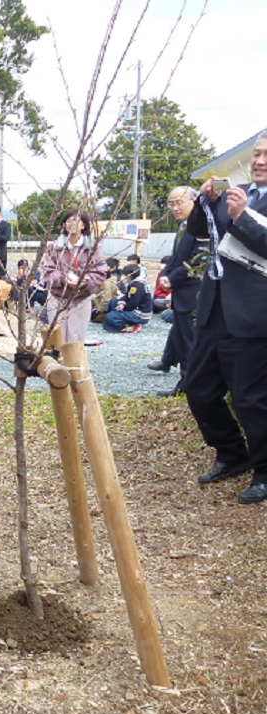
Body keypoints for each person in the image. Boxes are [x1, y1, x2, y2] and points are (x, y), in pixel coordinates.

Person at [183, 131, 267, 505]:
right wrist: (207, 202)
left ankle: (265, 471)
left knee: (250, 398)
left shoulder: (245, 203)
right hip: (215, 306)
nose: (259, 161)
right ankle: (232, 453)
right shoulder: (238, 190)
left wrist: (241, 215)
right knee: (198, 387)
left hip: (254, 312)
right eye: (258, 154)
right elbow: (200, 232)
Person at [151, 186, 206, 397]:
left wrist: (172, 279)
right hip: (180, 294)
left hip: (194, 294)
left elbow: (198, 259)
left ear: (194, 201)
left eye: (179, 202)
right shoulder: (183, 226)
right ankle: (184, 385)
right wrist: (165, 274)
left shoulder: (201, 227)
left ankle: (194, 389)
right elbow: (175, 257)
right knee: (183, 343)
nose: (174, 208)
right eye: (171, 203)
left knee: (192, 345)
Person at [40, 209, 107, 343]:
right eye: (68, 221)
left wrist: (85, 281)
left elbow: (101, 271)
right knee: (56, 338)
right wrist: (62, 278)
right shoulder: (54, 247)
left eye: (76, 220)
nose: (72, 223)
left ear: (83, 225)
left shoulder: (92, 248)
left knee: (76, 339)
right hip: (57, 297)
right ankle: (57, 363)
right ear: (64, 225)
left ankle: (74, 363)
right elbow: (47, 270)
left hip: (81, 299)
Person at [101, 263, 152, 332]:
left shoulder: (138, 286)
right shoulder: (134, 283)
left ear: (129, 275)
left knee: (111, 316)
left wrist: (123, 307)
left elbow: (133, 303)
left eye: (124, 275)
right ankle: (115, 322)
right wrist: (121, 303)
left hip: (140, 313)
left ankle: (130, 326)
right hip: (135, 308)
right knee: (113, 302)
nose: (123, 277)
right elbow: (126, 295)